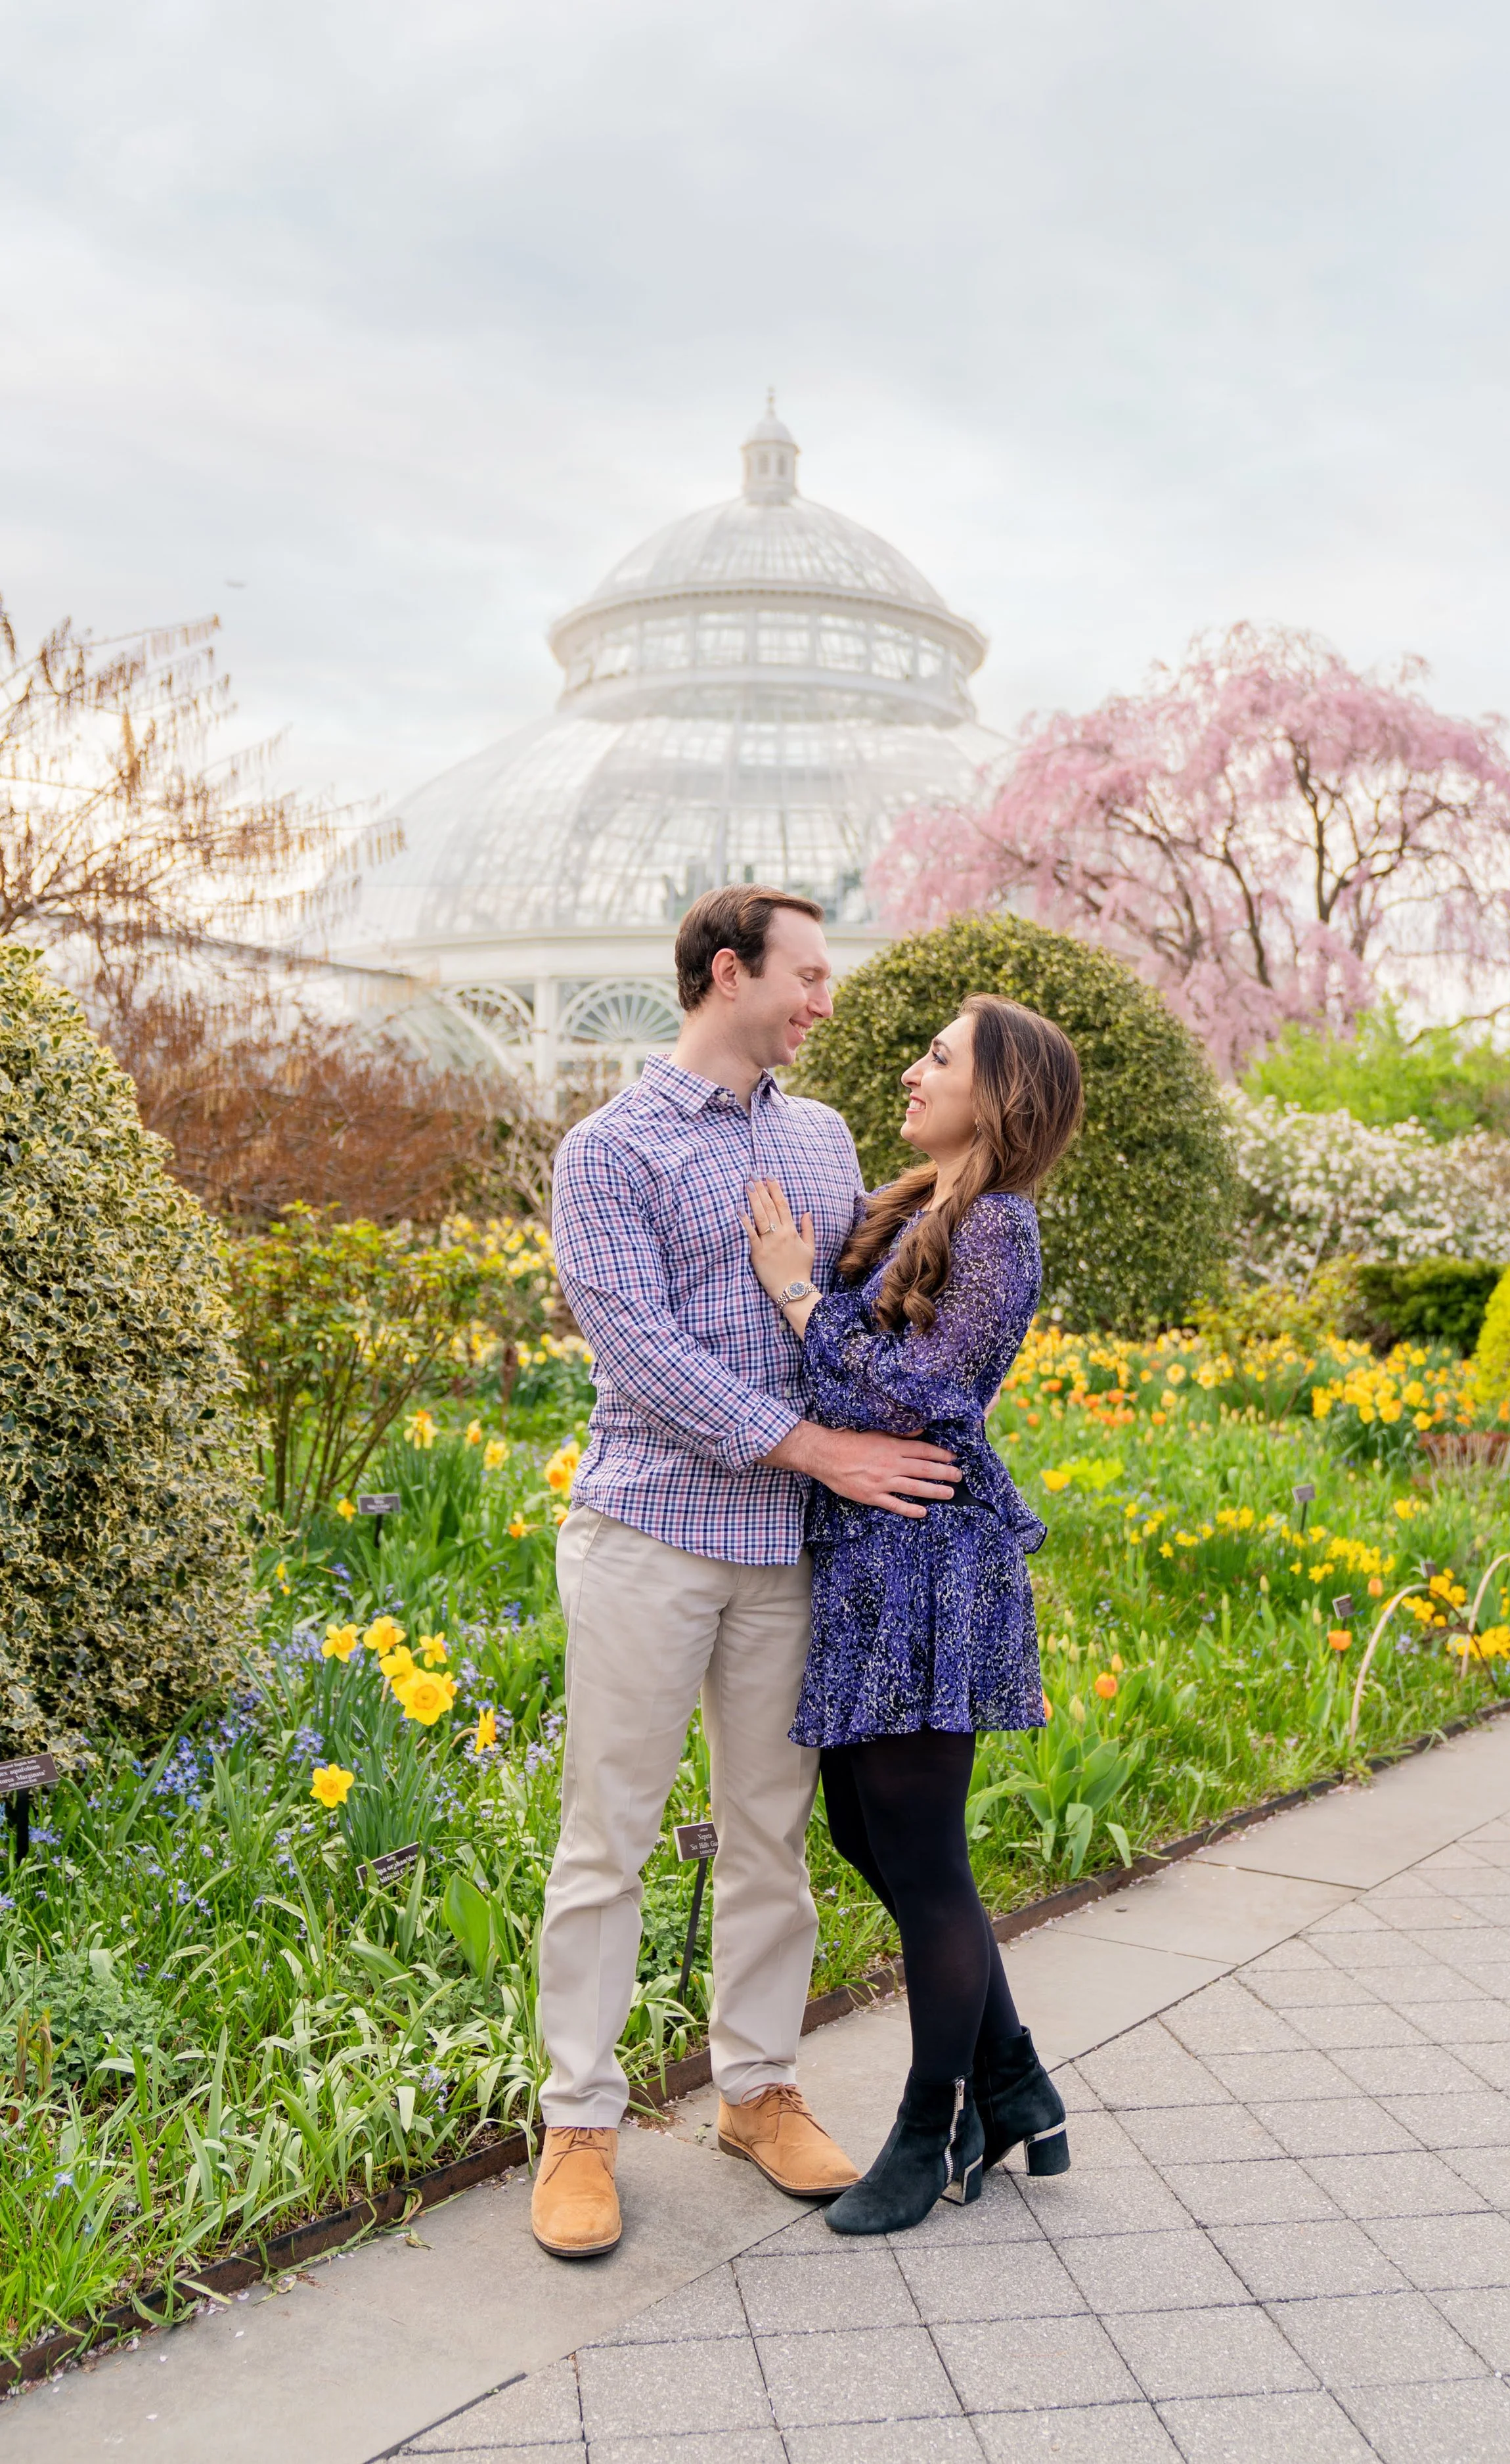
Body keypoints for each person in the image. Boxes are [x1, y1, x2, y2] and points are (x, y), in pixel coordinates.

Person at [531, 884, 962, 2261]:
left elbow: (841, 1312)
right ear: (730, 974)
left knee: (769, 1836)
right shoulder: (608, 1150)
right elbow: (641, 1355)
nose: (826, 1003)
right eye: (810, 977)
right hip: (651, 1534)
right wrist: (817, 1449)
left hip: (786, 1558)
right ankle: (579, 2122)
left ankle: (757, 2092)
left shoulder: (825, 1138)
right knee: (608, 1840)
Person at [740, 992, 1084, 2233]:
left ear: (997, 1095)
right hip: (871, 1559)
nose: (912, 1067)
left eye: (939, 1057)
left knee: (925, 1858)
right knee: (864, 1833)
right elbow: (864, 1380)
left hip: (934, 1564)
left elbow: (909, 1392)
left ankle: (932, 2125)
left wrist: (796, 1296)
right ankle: (1014, 2079)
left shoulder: (1000, 1226)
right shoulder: (915, 1209)